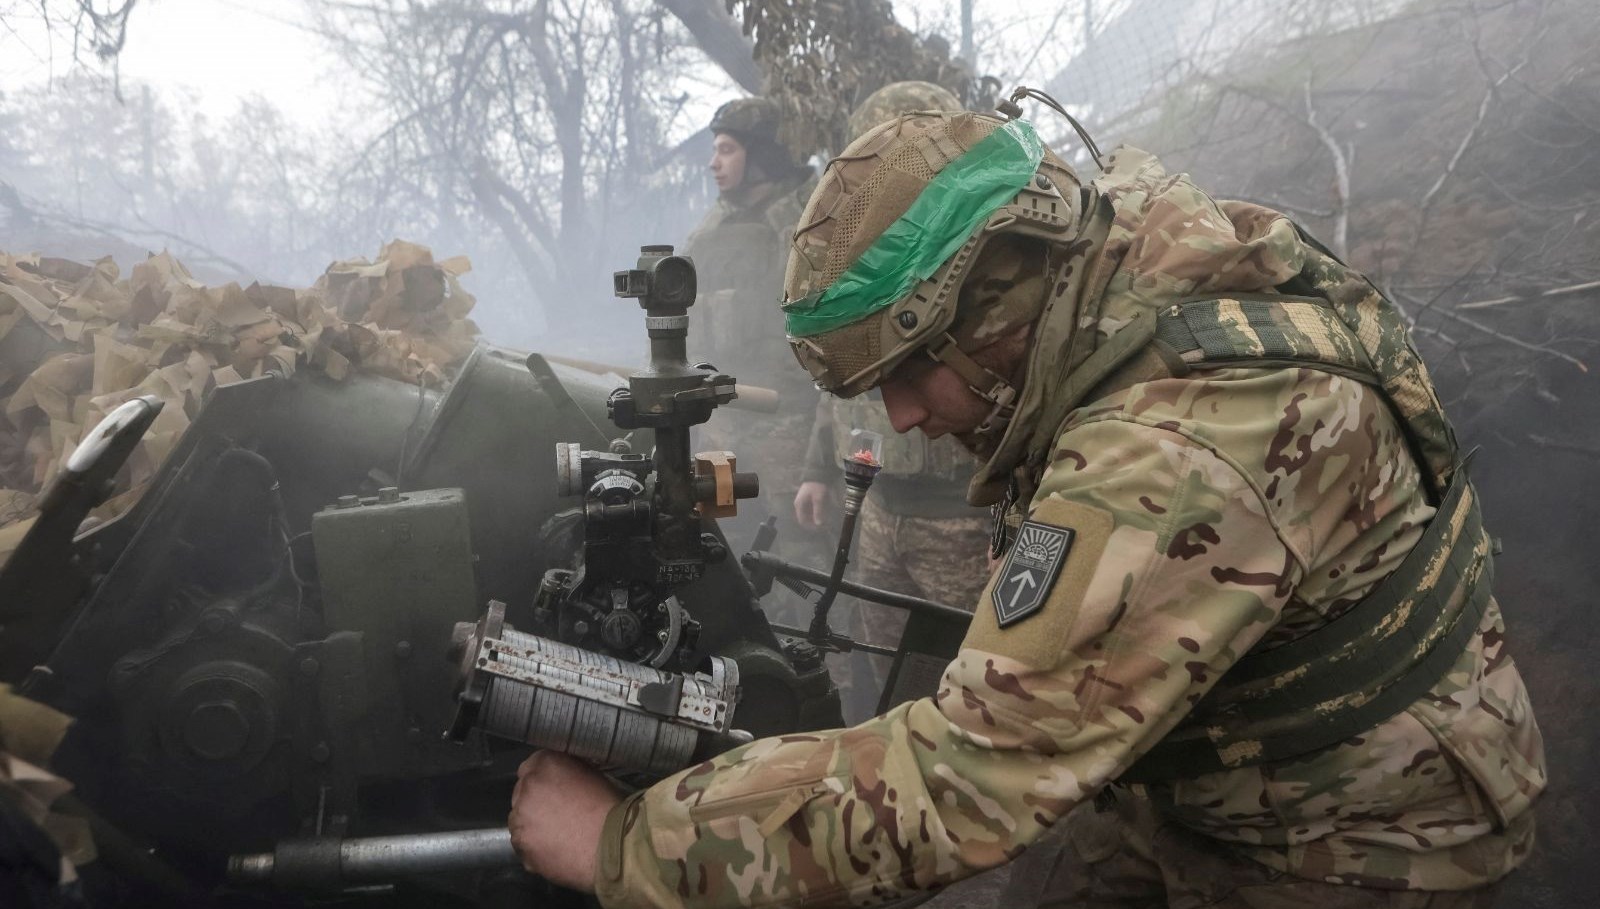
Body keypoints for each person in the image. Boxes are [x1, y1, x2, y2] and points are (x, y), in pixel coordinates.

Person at [510, 107, 1546, 908]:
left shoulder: (1176, 449)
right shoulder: (1107, 270)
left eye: (912, 370)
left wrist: (625, 847)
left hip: (1359, 823)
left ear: (994, 303)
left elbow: (961, 779)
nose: (905, 417)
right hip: (1196, 761)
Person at [793, 82, 992, 721]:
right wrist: (818, 470)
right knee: (888, 680)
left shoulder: (982, 245)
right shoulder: (845, 256)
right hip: (878, 509)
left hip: (959, 517)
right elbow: (839, 377)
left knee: (977, 686)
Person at [682, 97, 818, 560]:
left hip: (788, 422)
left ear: (761, 156)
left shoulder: (808, 226)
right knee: (717, 538)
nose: (713, 163)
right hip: (719, 420)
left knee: (796, 552)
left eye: (727, 150)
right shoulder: (709, 229)